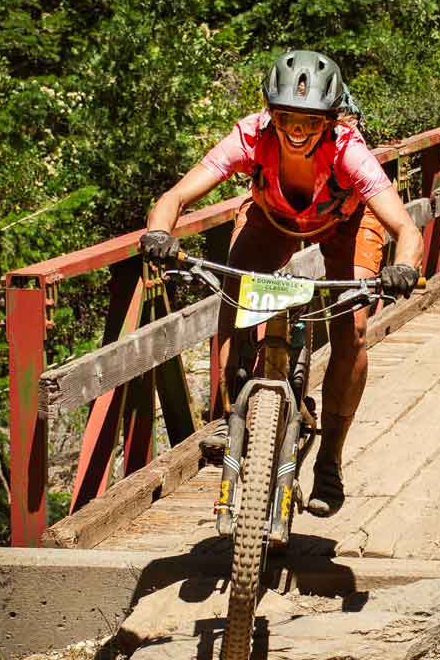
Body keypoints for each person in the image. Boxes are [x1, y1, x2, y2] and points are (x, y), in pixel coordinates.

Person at [138, 50, 424, 519]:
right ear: (271, 113)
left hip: (346, 224)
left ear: (330, 121)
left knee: (351, 329)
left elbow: (406, 230)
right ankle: (233, 412)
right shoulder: (250, 136)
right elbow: (176, 196)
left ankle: (329, 460)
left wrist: (405, 267)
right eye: (287, 115)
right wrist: (158, 233)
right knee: (233, 294)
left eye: (311, 120)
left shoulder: (349, 150)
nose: (297, 128)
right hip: (273, 218)